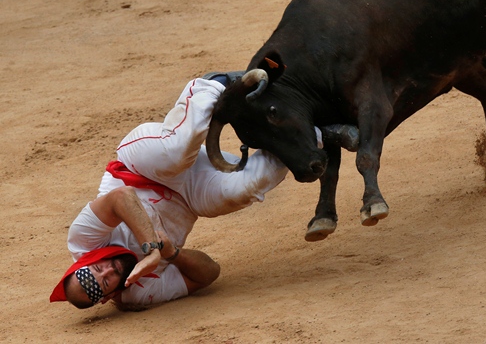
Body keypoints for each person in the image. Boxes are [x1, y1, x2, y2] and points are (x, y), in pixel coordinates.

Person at [50, 74, 358, 309]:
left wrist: (151, 249)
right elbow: (208, 274)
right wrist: (171, 254)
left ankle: (213, 84)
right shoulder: (137, 294)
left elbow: (122, 197)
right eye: (106, 282)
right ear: (109, 296)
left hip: (142, 166)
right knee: (245, 188)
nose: (108, 270)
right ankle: (317, 131)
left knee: (177, 150)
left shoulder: (82, 241)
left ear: (83, 263)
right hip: (189, 197)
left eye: (97, 269)